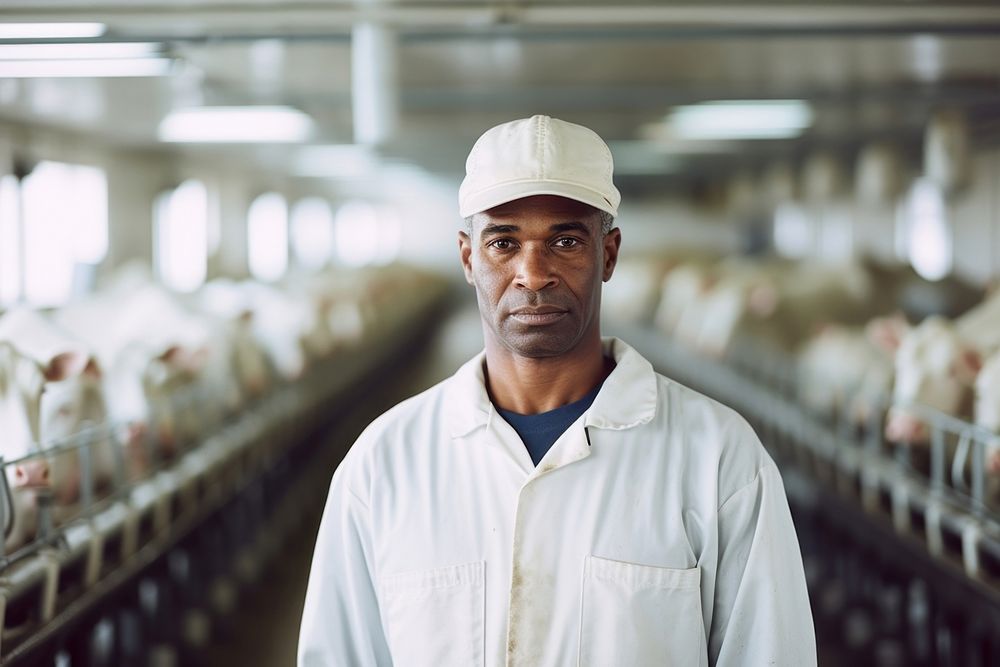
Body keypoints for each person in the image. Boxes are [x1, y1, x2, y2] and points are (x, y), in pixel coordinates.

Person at [298, 115, 816, 666]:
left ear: (609, 254)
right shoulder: (383, 465)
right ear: (468, 258)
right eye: (503, 241)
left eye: (566, 240)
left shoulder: (720, 460)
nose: (534, 272)